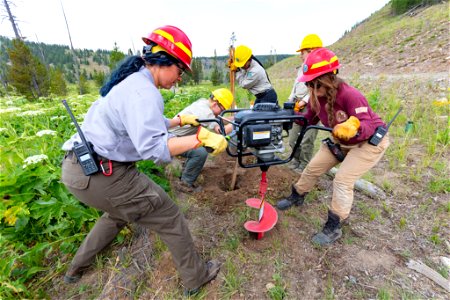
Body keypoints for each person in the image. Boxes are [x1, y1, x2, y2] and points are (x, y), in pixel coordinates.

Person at [60, 25, 226, 296]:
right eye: (180, 70)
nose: (180, 78)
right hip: (105, 173)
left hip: (78, 170)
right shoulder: (144, 92)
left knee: (116, 214)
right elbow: (153, 148)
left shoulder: (133, 83)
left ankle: (74, 270)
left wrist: (178, 121)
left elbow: (139, 123)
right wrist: (200, 138)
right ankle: (196, 278)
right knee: (170, 216)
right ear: (165, 61)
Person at [276, 48, 390, 246]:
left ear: (329, 77)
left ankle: (334, 225)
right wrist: (288, 119)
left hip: (367, 142)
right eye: (309, 83)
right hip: (341, 142)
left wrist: (354, 128)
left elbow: (368, 125)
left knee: (342, 180)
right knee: (313, 168)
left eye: (315, 83)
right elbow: (308, 118)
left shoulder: (351, 95)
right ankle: (297, 196)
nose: (311, 87)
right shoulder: (316, 96)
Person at [170, 88, 234, 191]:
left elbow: (220, 120)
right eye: (222, 110)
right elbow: (221, 131)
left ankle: (186, 172)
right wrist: (235, 125)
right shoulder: (205, 112)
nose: (221, 113)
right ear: (215, 104)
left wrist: (235, 118)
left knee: (201, 144)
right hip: (172, 139)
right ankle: (185, 184)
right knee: (200, 152)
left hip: (178, 136)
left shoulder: (204, 104)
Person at [287, 34, 322, 172]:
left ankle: (304, 165)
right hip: (297, 105)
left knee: (307, 140)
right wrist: (291, 100)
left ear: (312, 51)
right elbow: (296, 86)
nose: (301, 55)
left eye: (303, 52)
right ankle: (296, 159)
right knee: (292, 138)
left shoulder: (320, 69)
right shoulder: (302, 68)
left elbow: (317, 89)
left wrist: (305, 100)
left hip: (312, 107)